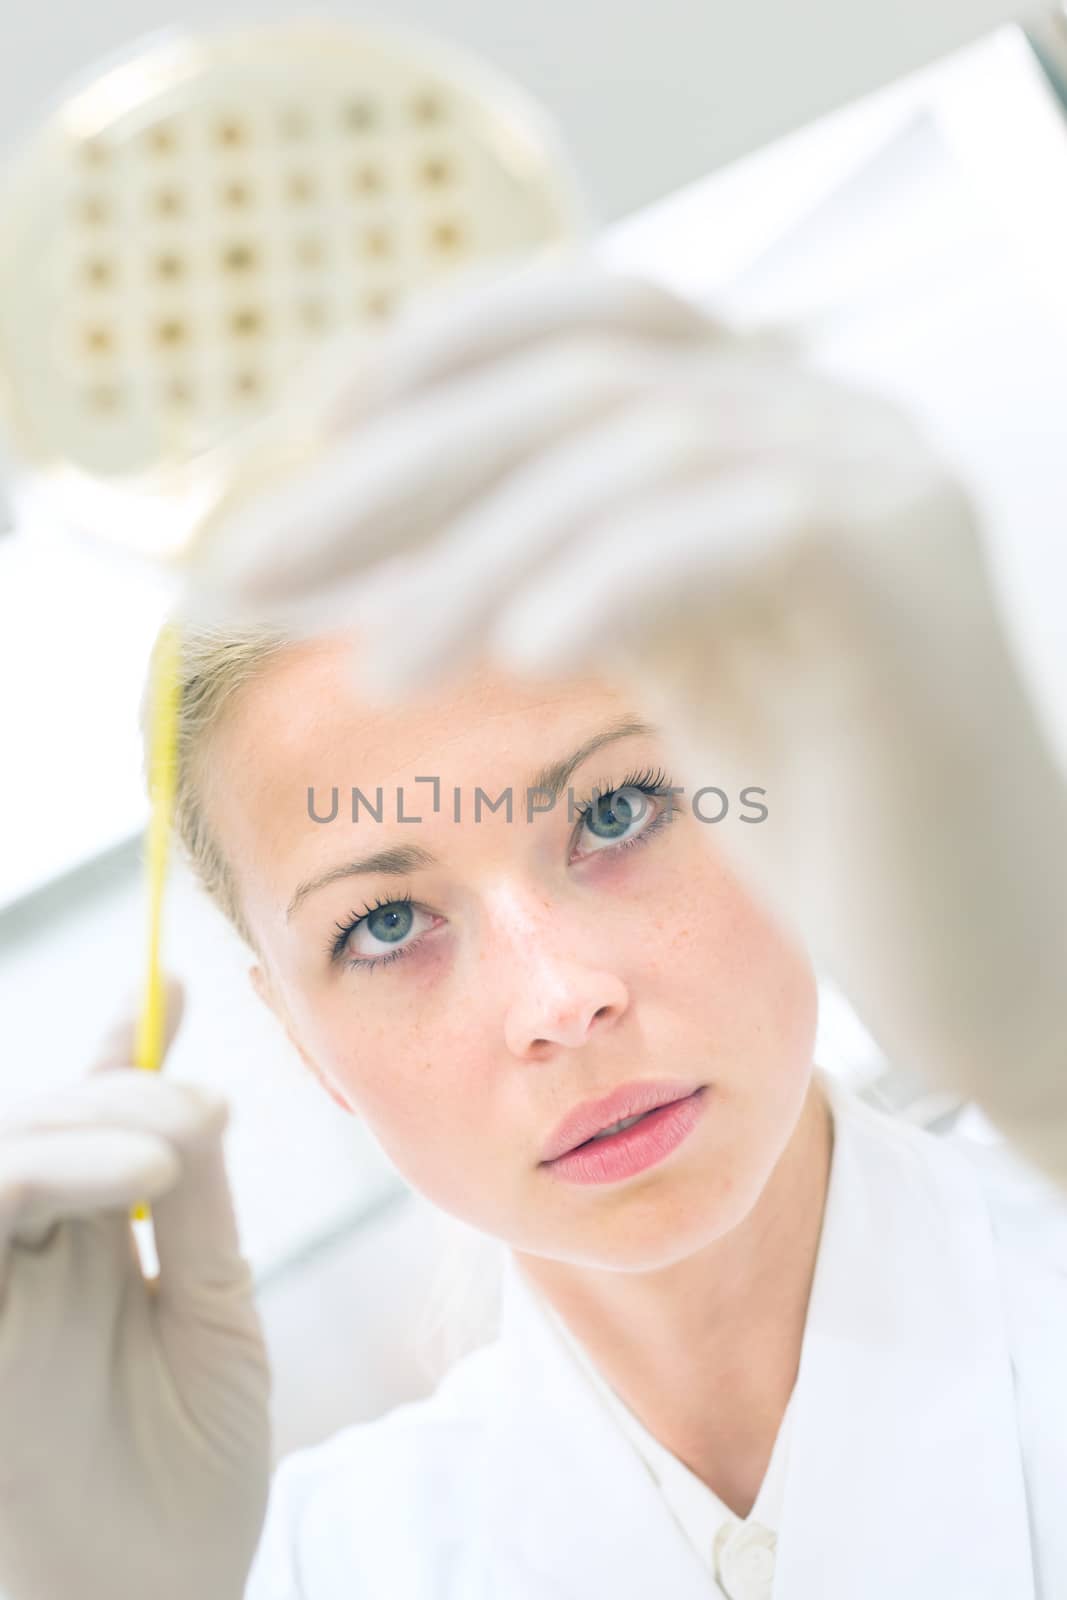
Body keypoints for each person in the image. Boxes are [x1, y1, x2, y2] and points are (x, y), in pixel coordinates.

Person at [1, 258, 1065, 1600]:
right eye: (386, 919)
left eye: (617, 811)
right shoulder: (317, 1568)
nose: (560, 997)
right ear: (304, 1038)